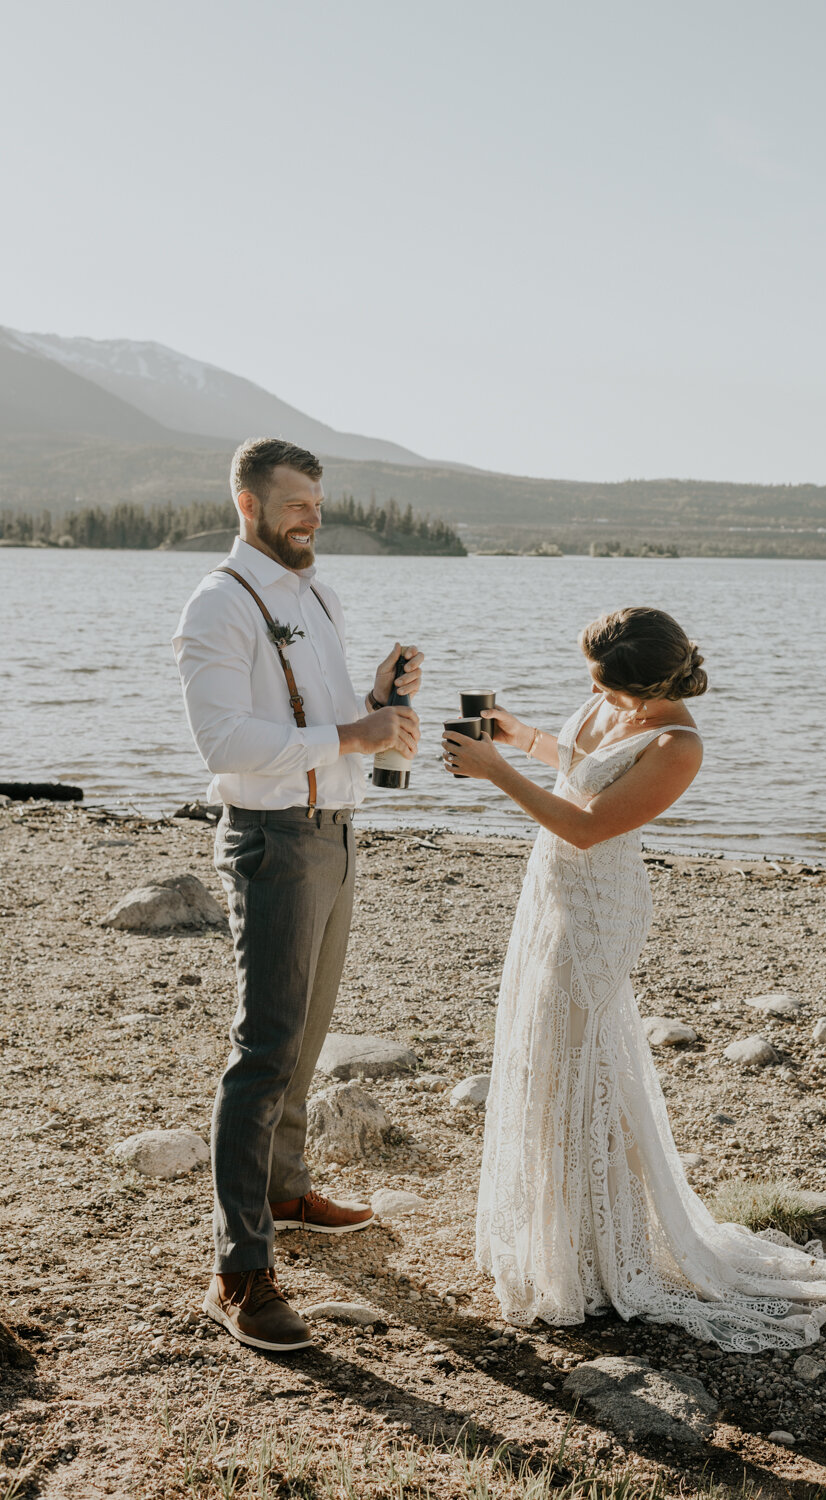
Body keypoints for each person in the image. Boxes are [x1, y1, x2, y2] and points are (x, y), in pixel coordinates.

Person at [442, 605, 826, 1351]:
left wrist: (495, 775)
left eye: (611, 688)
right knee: (547, 1056)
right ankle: (558, 1233)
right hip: (548, 889)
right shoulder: (614, 695)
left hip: (597, 901)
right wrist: (514, 734)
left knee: (581, 1062)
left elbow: (590, 825)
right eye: (592, 682)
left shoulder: (676, 744)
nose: (599, 695)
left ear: (653, 685)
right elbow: (575, 761)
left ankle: (599, 1252)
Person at [173, 437, 423, 1353]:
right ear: (247, 504)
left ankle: (285, 1192)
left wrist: (374, 704)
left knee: (307, 1035)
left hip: (335, 836)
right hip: (273, 843)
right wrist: (350, 733)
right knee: (265, 1046)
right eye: (294, 504)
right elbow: (228, 746)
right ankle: (238, 1271)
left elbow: (312, 724)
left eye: (317, 502)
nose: (310, 517)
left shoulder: (319, 594)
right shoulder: (217, 603)